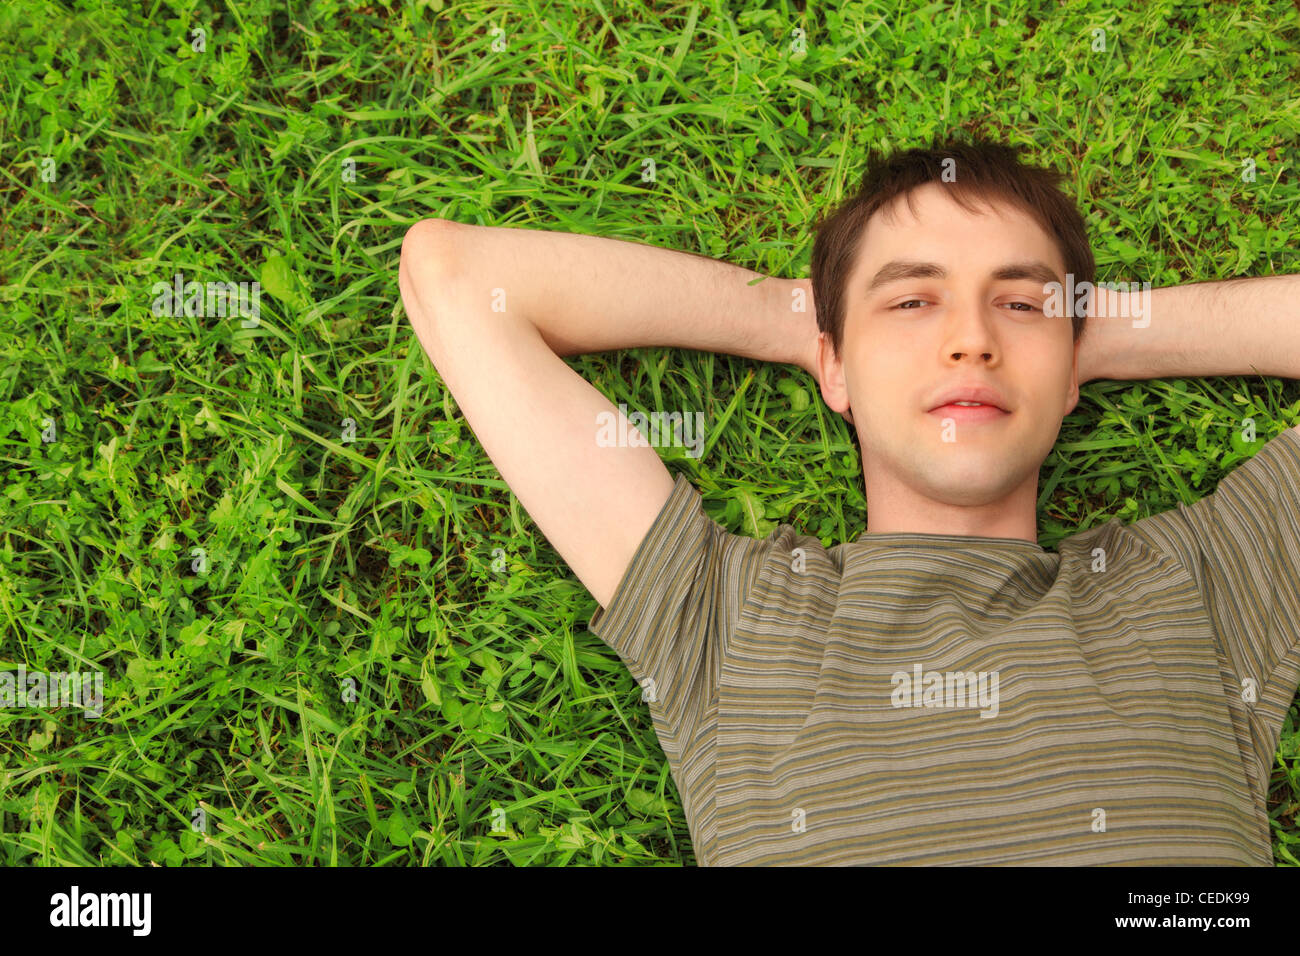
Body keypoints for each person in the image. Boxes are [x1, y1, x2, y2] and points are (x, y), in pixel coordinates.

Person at [397, 136, 1300, 865]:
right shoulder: (725, 621)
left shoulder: (1200, 589)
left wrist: (1086, 337)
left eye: (1018, 305)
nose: (970, 341)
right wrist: (807, 326)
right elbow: (455, 278)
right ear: (833, 362)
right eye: (912, 302)